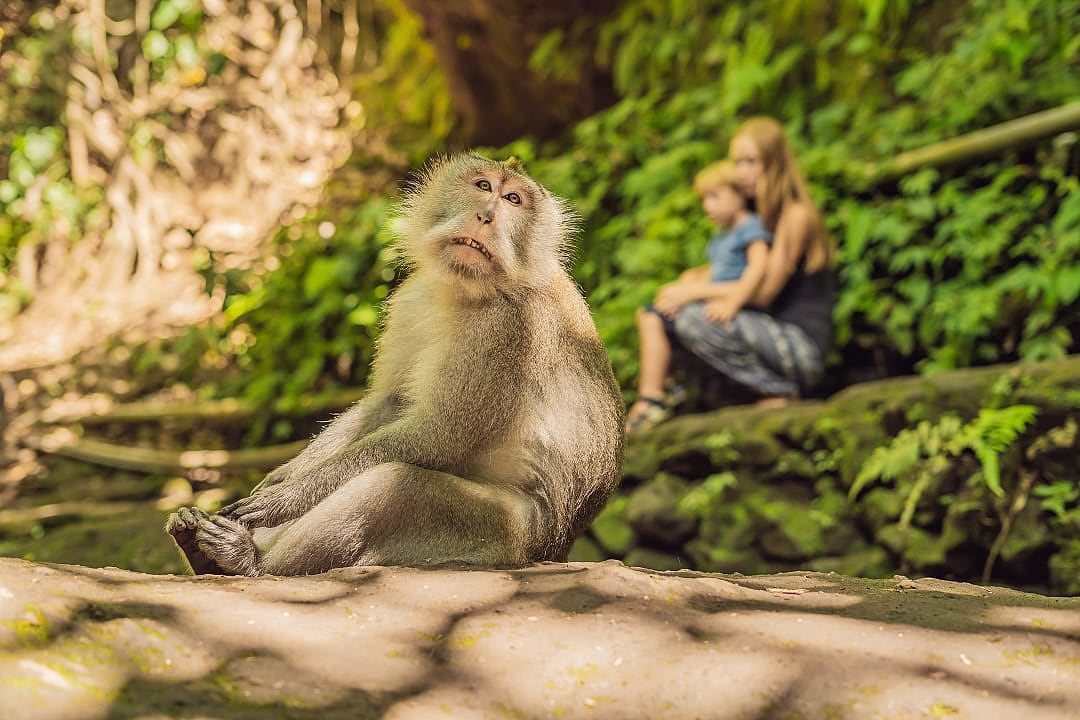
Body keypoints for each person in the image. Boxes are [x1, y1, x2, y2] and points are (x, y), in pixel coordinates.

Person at [627, 116, 837, 433]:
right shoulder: (754, 218)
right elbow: (730, 273)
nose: (742, 172)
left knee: (695, 318)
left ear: (774, 162)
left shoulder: (795, 215)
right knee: (666, 316)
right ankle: (659, 397)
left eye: (751, 162)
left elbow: (764, 292)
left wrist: (696, 292)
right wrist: (692, 281)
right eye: (737, 162)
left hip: (798, 346)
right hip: (765, 334)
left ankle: (779, 391)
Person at [625, 160, 772, 434]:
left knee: (653, 316)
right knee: (650, 314)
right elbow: (718, 271)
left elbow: (758, 268)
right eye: (705, 199)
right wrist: (691, 278)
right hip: (712, 301)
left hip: (733, 307)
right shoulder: (721, 237)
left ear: (739, 194)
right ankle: (661, 387)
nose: (708, 207)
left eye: (715, 197)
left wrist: (733, 301)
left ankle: (654, 395)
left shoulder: (750, 227)